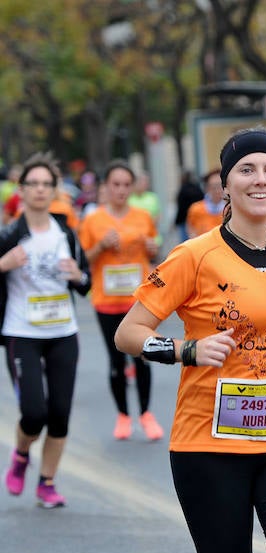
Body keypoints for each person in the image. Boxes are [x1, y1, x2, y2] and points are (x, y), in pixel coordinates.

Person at [114, 126, 266, 553]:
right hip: (209, 448)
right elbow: (129, 334)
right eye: (247, 169)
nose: (261, 179)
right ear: (226, 185)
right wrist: (185, 350)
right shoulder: (193, 257)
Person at [1, 153, 91, 508]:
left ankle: (47, 482)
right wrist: (3, 264)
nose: (39, 190)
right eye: (32, 184)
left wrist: (77, 275)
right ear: (21, 191)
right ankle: (22, 454)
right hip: (22, 333)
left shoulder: (65, 231)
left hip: (63, 333)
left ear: (54, 190)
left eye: (45, 184)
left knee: (60, 414)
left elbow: (86, 283)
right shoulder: (10, 234)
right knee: (34, 412)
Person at [79, 161, 163, 441]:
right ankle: (124, 415)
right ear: (105, 187)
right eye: (115, 184)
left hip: (139, 302)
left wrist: (154, 249)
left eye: (127, 185)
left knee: (144, 357)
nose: (121, 190)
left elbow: (154, 251)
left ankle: (146, 414)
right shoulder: (93, 220)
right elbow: (83, 260)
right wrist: (101, 246)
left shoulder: (142, 216)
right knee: (116, 362)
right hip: (106, 301)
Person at [186, 169, 226, 239]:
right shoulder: (196, 209)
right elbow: (191, 230)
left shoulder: (231, 209)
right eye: (214, 186)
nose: (217, 190)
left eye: (220, 185)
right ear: (207, 188)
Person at [173, 170, 204, 243]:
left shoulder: (183, 190)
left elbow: (181, 207)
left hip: (184, 219)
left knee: (185, 241)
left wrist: (177, 221)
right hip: (197, 218)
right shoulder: (197, 189)